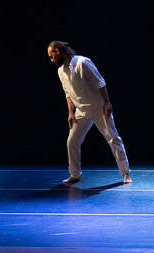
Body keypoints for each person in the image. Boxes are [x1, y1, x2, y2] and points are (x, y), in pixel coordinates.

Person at [47, 41, 131, 184]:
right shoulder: (61, 71)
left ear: (58, 51)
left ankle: (125, 173)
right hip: (81, 110)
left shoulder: (82, 62)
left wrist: (107, 102)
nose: (51, 60)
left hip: (98, 107)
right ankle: (75, 175)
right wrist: (70, 113)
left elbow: (100, 82)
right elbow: (68, 93)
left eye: (51, 56)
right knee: (72, 141)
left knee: (113, 138)